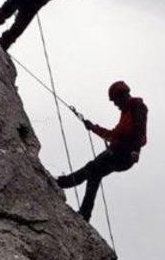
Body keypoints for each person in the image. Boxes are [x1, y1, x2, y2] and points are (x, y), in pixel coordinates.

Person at [57, 81, 147, 222]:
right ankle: (84, 213)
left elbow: (139, 129)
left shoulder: (137, 107)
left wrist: (136, 150)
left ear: (122, 96)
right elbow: (114, 134)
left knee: (92, 168)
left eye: (115, 101)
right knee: (94, 173)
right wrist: (93, 127)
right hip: (119, 152)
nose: (115, 105)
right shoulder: (126, 113)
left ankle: (62, 183)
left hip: (124, 153)